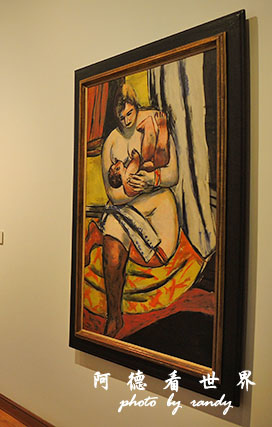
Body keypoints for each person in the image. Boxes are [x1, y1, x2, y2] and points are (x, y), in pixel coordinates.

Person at [99, 83, 179, 337]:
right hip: (124, 207)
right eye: (120, 117)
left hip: (155, 200)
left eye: (129, 114)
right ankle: (114, 316)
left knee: (161, 244)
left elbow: (173, 175)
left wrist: (151, 180)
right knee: (112, 255)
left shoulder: (154, 124)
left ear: (136, 107)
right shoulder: (111, 142)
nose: (125, 120)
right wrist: (130, 189)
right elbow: (113, 195)